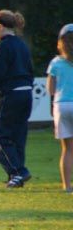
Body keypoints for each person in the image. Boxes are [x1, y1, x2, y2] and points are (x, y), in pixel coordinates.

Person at [0, 10, 34, 188]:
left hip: (11, 94)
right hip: (26, 93)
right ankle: (16, 176)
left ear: (0, 26)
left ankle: (18, 171)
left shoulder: (4, 46)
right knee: (18, 136)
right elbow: (30, 69)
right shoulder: (22, 45)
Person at [46, 23, 73, 193]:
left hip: (62, 105)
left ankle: (67, 186)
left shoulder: (55, 62)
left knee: (67, 148)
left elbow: (50, 89)